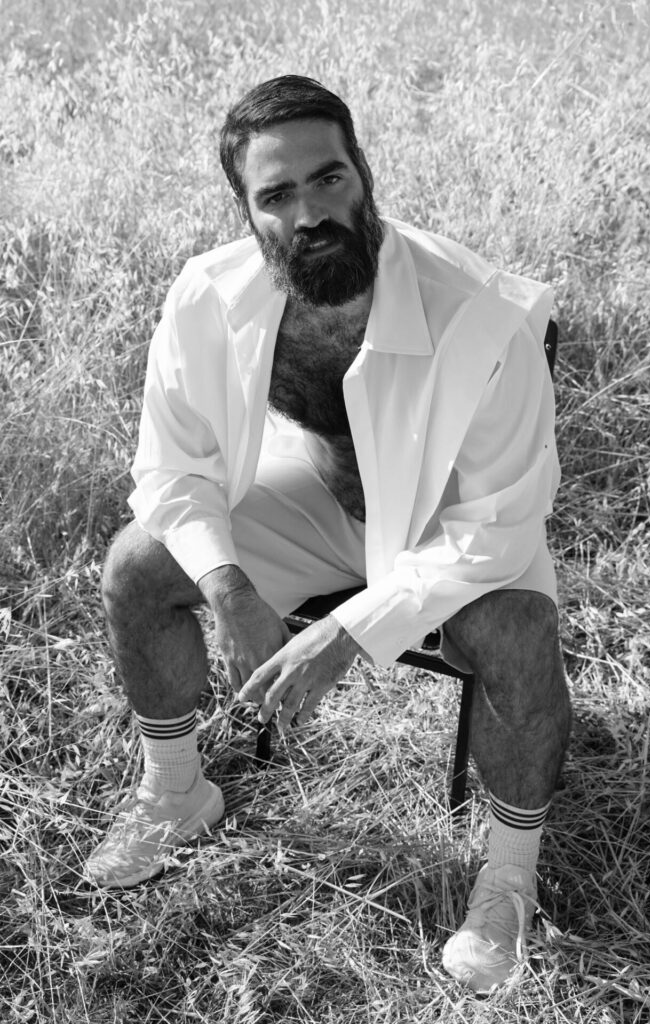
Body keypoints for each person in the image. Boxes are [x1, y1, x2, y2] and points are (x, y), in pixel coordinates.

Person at [86, 75, 572, 994]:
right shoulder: (208, 295)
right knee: (139, 564)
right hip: (317, 502)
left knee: (517, 629)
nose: (309, 212)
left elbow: (500, 523)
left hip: (447, 529)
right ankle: (177, 793)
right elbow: (171, 468)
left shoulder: (481, 315)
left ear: (364, 172)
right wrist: (230, 588)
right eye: (276, 196)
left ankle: (508, 879)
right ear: (247, 210)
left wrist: (344, 634)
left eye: (328, 179)